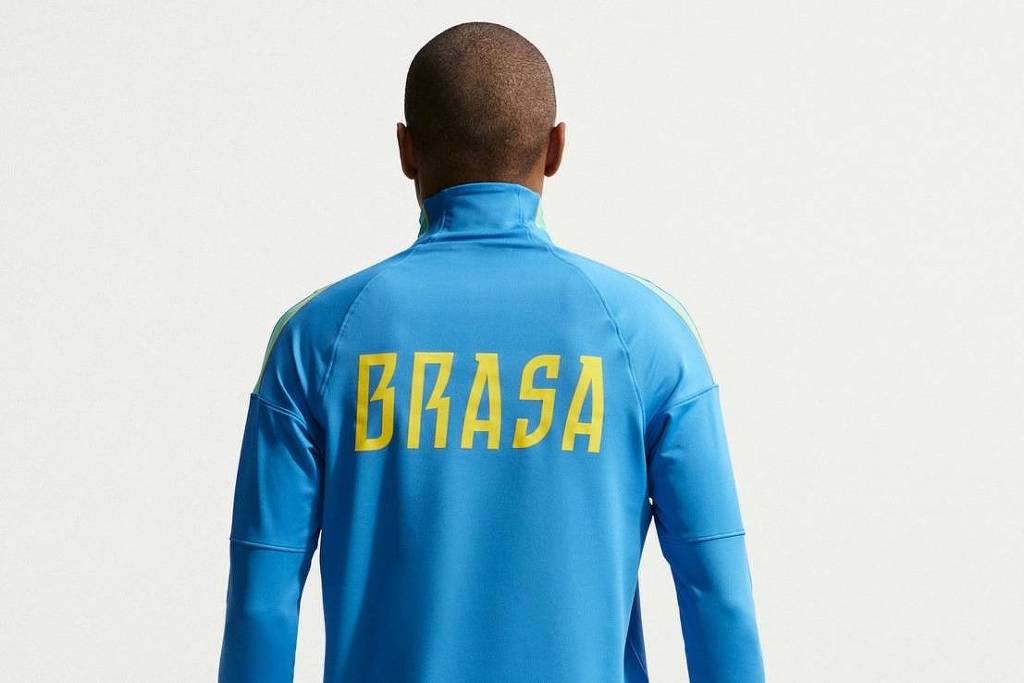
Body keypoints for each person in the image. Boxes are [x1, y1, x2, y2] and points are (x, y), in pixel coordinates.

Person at [219, 21, 764, 683]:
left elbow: (262, 602)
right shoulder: (648, 334)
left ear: (406, 149)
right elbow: (717, 592)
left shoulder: (317, 338)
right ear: (556, 147)